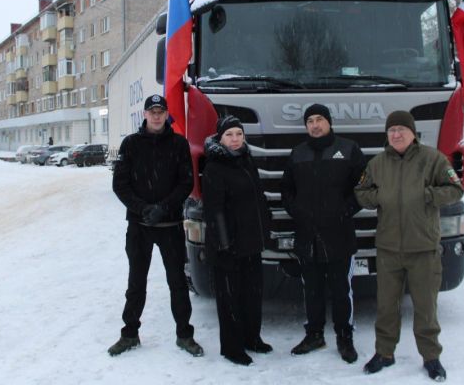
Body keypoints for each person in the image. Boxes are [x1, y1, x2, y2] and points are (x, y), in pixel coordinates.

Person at [355, 110, 464, 382]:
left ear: (412, 133)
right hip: (389, 247)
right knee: (386, 306)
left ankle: (431, 357)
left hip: (423, 247)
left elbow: (455, 188)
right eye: (391, 131)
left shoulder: (433, 159)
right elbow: (361, 192)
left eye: (401, 130)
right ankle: (384, 353)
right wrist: (380, 196)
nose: (396, 135)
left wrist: (428, 195)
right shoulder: (378, 163)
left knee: (425, 307)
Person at [108, 94, 204, 358]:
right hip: (139, 227)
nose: (157, 115)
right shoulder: (131, 144)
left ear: (166, 114)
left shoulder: (178, 144)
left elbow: (186, 182)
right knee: (136, 283)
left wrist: (163, 207)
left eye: (161, 111)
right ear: (145, 115)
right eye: (152, 111)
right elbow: (120, 184)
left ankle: (185, 335)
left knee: (177, 283)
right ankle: (129, 334)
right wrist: (143, 209)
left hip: (170, 225)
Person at [281, 103, 366, 363]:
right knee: (313, 290)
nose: (315, 125)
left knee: (341, 290)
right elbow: (287, 192)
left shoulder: (348, 149)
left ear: (329, 122)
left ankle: (344, 336)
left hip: (339, 233)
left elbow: (363, 188)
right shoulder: (298, 154)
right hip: (308, 236)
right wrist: (298, 212)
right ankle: (315, 334)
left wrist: (344, 211)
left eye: (319, 119)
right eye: (310, 121)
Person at [201, 116, 273, 366]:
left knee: (252, 295)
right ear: (220, 138)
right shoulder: (214, 167)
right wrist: (224, 243)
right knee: (230, 299)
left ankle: (252, 338)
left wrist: (266, 228)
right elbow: (214, 210)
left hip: (251, 242)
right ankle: (232, 348)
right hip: (227, 247)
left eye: (239, 134)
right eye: (229, 135)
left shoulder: (246, 161)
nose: (235, 139)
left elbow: (256, 199)